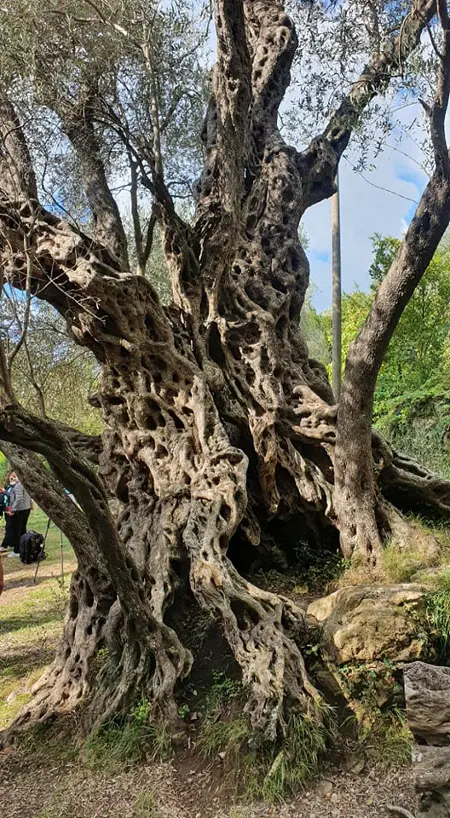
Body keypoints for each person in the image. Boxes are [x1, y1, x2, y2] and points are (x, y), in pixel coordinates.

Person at [0, 472, 32, 557]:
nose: (13, 478)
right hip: (26, 509)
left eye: (15, 476)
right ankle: (23, 547)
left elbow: (19, 499)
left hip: (20, 510)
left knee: (16, 531)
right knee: (22, 529)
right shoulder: (24, 484)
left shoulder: (18, 485)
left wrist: (12, 510)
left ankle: (17, 550)